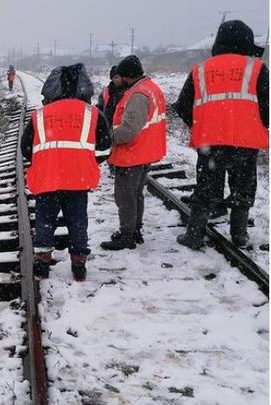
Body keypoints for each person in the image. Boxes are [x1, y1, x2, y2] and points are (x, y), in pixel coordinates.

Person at [174, 20, 269, 249]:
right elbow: (267, 106)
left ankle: (194, 236)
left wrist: (200, 125)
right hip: (245, 142)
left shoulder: (200, 70)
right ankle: (240, 236)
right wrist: (256, 124)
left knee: (206, 189)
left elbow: (182, 105)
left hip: (211, 143)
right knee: (242, 190)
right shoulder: (256, 68)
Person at [21, 63, 111, 281]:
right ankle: (79, 265)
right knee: (78, 221)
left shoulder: (40, 115)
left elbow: (26, 149)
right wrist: (85, 162)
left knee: (45, 221)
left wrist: (47, 161)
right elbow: (106, 148)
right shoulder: (93, 114)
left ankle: (42, 264)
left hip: (47, 178)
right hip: (78, 181)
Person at [100, 55, 167, 250]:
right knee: (135, 194)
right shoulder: (150, 88)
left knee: (125, 196)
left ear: (127, 76)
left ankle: (127, 235)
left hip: (132, 153)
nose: (116, 78)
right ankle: (135, 230)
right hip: (144, 151)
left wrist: (109, 137)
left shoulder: (138, 94)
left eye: (119, 75)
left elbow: (128, 130)